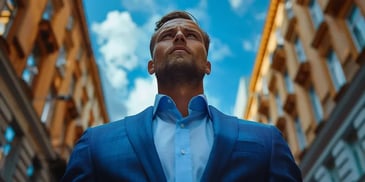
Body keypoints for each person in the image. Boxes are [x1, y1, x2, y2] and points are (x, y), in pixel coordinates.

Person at [62, 11, 302, 182]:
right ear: (151, 65)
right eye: (167, 36)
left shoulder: (266, 141)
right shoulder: (96, 145)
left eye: (191, 35)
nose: (178, 36)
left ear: (208, 65)